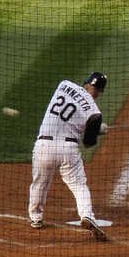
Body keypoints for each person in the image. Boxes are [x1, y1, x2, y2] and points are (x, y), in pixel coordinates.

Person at [29, 71, 110, 242]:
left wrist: (93, 128)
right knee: (79, 186)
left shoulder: (64, 84)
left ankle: (36, 218)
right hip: (68, 149)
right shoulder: (95, 114)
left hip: (43, 145)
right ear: (100, 91)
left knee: (40, 183)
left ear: (86, 82)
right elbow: (88, 143)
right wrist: (96, 131)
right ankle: (87, 216)